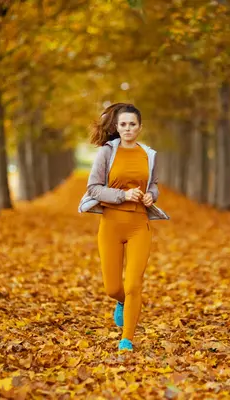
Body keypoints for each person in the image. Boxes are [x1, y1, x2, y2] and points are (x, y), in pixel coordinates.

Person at [78, 103, 169, 352]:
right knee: (113, 288)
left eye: (132, 124)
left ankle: (126, 339)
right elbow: (94, 188)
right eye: (123, 124)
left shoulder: (149, 155)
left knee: (133, 285)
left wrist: (151, 196)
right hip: (111, 225)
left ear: (140, 127)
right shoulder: (106, 153)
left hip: (140, 225)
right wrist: (123, 195)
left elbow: (154, 186)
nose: (128, 128)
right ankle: (122, 302)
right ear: (117, 127)